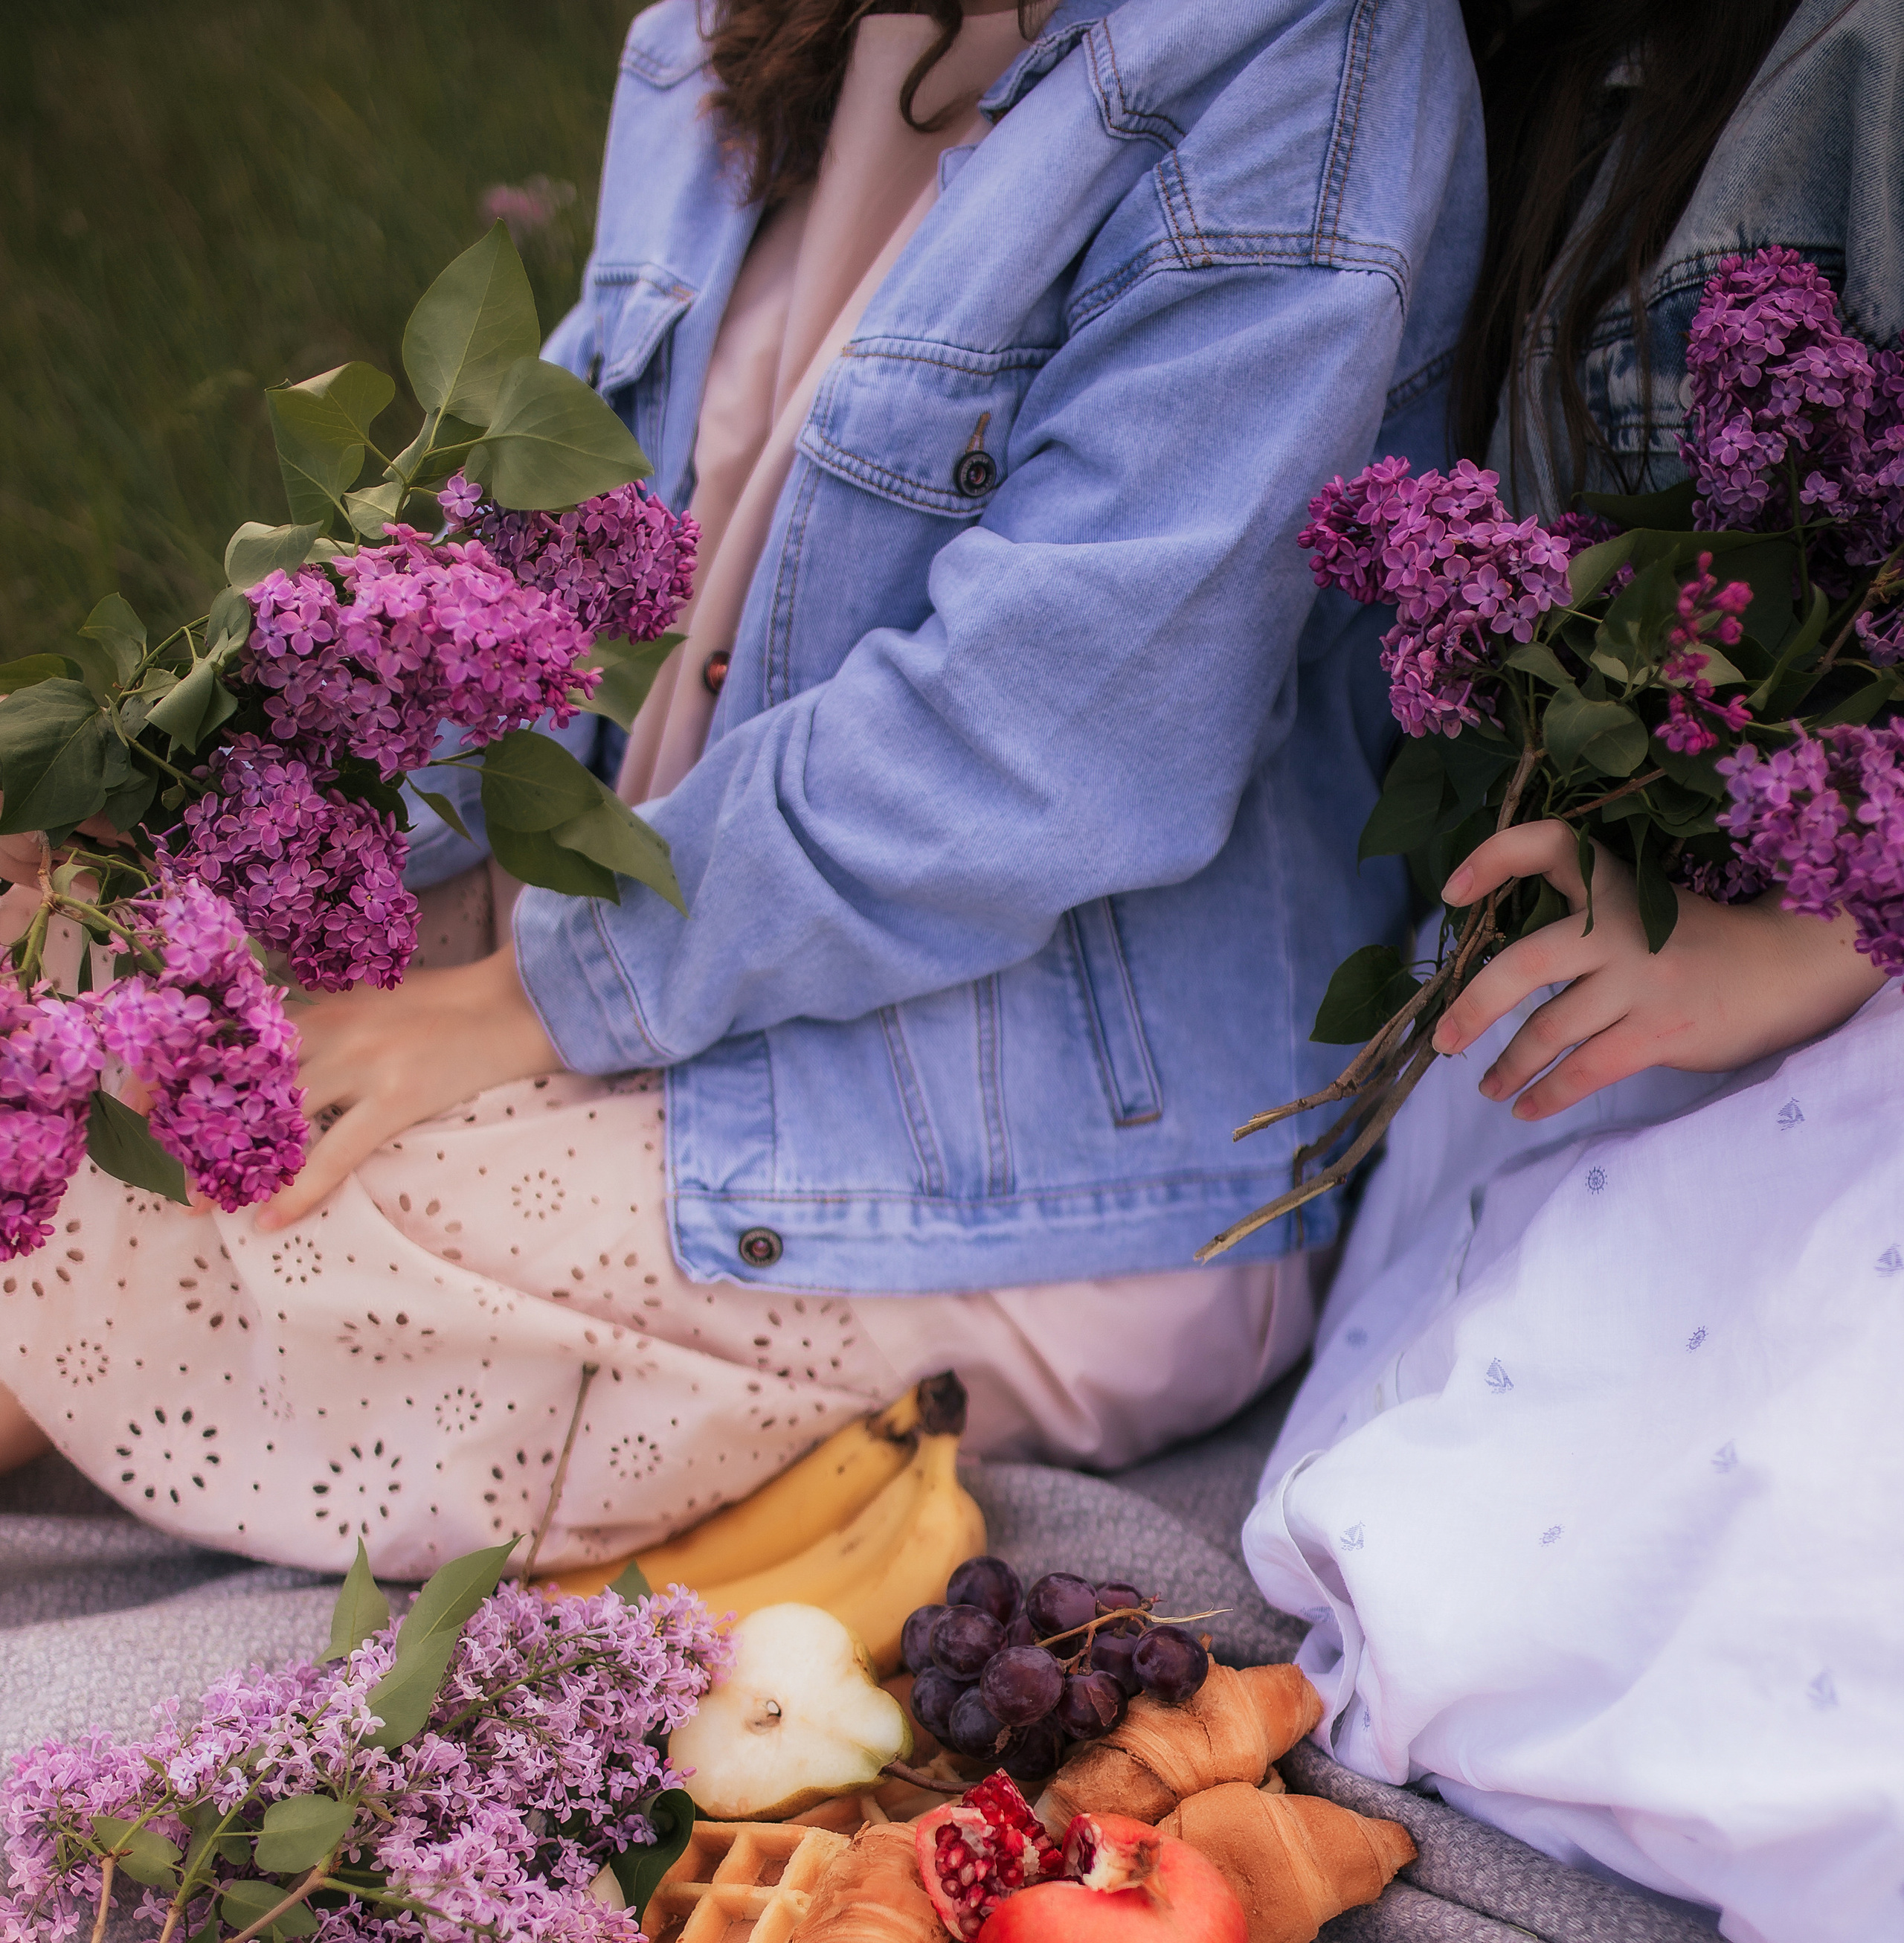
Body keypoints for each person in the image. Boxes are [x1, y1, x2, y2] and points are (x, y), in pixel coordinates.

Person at [0, 0, 1482, 1579]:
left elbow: (1045, 734)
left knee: (201, 1207)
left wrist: (528, 998)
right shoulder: (722, 35)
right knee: (70, 1006)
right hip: (663, 930)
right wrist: (235, 807)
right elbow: (541, 565)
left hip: (1024, 1126)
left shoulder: (1300, 61)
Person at [1241, 0, 1904, 1943]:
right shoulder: (1450, 67)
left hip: (1837, 966)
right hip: (1646, 988)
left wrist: (1830, 921)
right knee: (1533, 1574)